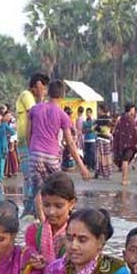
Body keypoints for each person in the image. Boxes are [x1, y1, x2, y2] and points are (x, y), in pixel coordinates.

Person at [28, 80, 90, 220]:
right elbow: (70, 143)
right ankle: (65, 218)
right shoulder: (62, 114)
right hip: (51, 154)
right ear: (62, 96)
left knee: (39, 190)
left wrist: (31, 152)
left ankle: (43, 224)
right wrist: (81, 166)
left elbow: (28, 134)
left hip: (35, 153)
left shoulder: (35, 109)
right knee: (61, 186)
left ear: (48, 93)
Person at [16, 73, 50, 217]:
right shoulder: (27, 95)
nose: (44, 91)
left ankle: (32, 209)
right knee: (31, 177)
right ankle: (30, 209)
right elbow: (35, 113)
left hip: (29, 141)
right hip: (27, 141)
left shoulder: (31, 98)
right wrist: (41, 96)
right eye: (43, 87)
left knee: (32, 177)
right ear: (37, 86)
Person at [25, 171, 76, 267]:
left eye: (58, 206)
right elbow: (28, 255)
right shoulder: (34, 231)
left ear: (71, 204)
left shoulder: (78, 235)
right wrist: (34, 260)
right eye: (46, 205)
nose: (51, 212)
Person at [112, 103, 137, 186]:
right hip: (129, 144)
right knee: (125, 161)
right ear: (130, 109)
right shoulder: (130, 119)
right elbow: (133, 132)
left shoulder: (121, 119)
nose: (134, 111)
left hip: (122, 143)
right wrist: (136, 142)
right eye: (133, 109)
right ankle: (124, 179)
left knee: (125, 161)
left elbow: (116, 131)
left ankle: (125, 178)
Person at [0, 111, 14, 183]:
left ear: (2, 117)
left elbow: (13, 132)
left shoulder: (4, 125)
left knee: (2, 162)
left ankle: (0, 178)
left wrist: (7, 135)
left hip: (2, 146)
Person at [94, 105, 114, 180]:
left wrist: (99, 129)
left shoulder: (99, 119)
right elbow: (109, 128)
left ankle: (98, 172)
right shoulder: (109, 119)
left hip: (100, 138)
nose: (98, 111)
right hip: (106, 139)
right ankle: (107, 173)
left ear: (102, 110)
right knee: (106, 156)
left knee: (99, 156)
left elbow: (94, 128)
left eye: (99, 109)